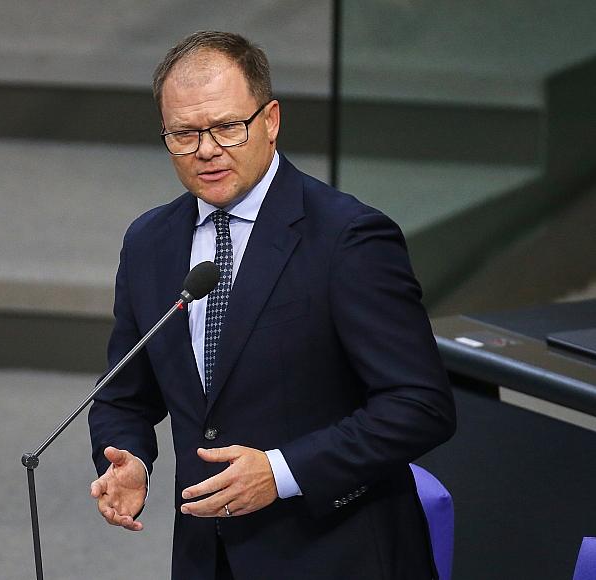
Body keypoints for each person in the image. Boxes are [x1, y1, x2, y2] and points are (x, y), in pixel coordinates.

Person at [88, 30, 456, 580]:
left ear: (271, 120)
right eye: (184, 134)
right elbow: (123, 396)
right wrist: (128, 456)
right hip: (208, 558)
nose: (206, 150)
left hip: (337, 555)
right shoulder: (149, 243)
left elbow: (420, 405)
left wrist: (281, 472)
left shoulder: (347, 238)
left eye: (226, 127)